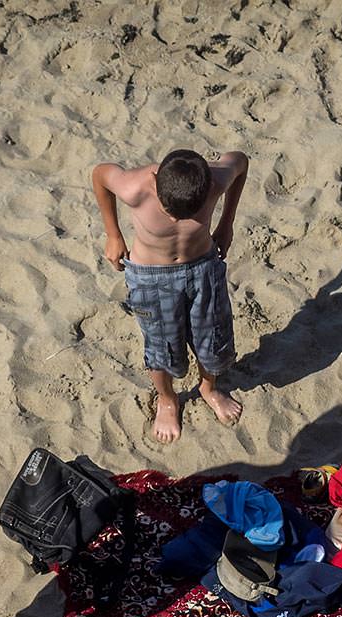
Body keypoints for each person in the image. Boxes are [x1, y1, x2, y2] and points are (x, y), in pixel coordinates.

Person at [91, 148, 250, 444]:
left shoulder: (216, 179)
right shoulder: (135, 187)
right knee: (162, 346)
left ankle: (208, 387)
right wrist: (113, 235)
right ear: (154, 181)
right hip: (152, 277)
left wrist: (226, 223)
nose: (178, 221)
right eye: (170, 213)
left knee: (213, 338)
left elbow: (240, 161)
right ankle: (166, 398)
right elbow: (100, 175)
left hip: (203, 266)